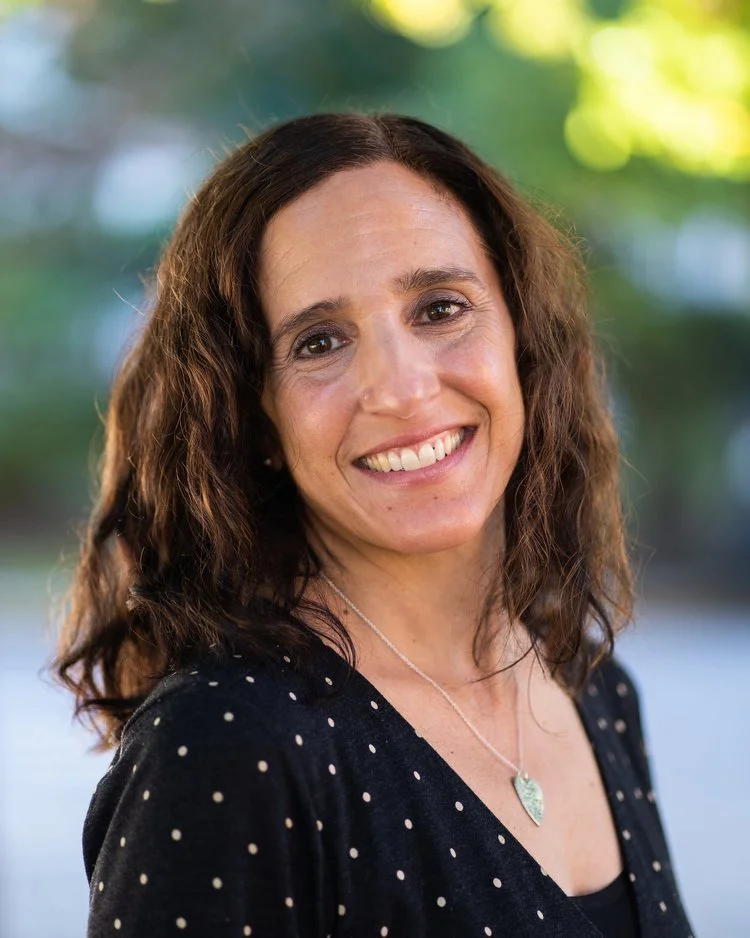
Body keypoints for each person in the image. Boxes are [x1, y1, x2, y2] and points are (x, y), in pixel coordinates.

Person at [54, 112, 694, 937]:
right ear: (253, 415)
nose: (400, 387)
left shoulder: (593, 689)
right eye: (319, 342)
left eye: (439, 308)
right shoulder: (225, 749)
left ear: (521, 338)